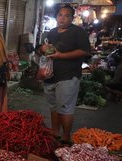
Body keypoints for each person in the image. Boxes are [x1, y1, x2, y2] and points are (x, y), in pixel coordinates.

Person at [38, 5, 91, 144]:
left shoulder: (78, 32)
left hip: (68, 75)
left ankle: (66, 137)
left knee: (65, 108)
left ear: (72, 18)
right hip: (51, 76)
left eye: (67, 15)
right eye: (60, 15)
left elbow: (85, 51)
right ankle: (55, 133)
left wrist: (61, 55)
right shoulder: (52, 32)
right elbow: (46, 50)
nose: (63, 18)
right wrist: (43, 49)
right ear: (56, 17)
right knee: (54, 107)